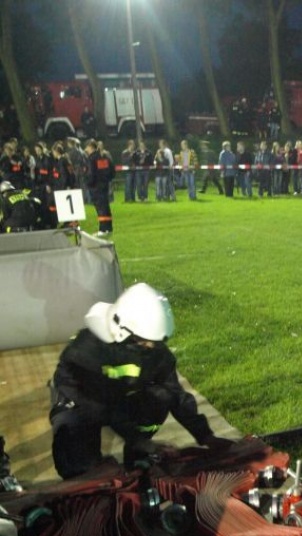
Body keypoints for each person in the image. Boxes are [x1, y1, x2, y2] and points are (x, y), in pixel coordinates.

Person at [49, 283, 234, 479]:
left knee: (160, 396)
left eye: (155, 342)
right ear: (121, 327)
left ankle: (137, 460)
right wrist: (138, 439)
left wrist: (206, 436)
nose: (151, 346)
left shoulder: (155, 351)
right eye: (144, 340)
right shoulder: (87, 348)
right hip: (80, 401)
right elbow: (95, 404)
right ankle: (84, 466)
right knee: (80, 469)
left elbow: (174, 394)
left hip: (116, 398)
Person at [84, 138, 114, 236]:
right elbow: (111, 170)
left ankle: (103, 229)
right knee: (105, 206)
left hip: (96, 187)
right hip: (104, 185)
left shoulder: (92, 158)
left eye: (86, 147)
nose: (86, 149)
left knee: (100, 208)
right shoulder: (103, 156)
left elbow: (91, 174)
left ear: (90, 147)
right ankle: (108, 228)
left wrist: (88, 183)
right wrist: (106, 180)